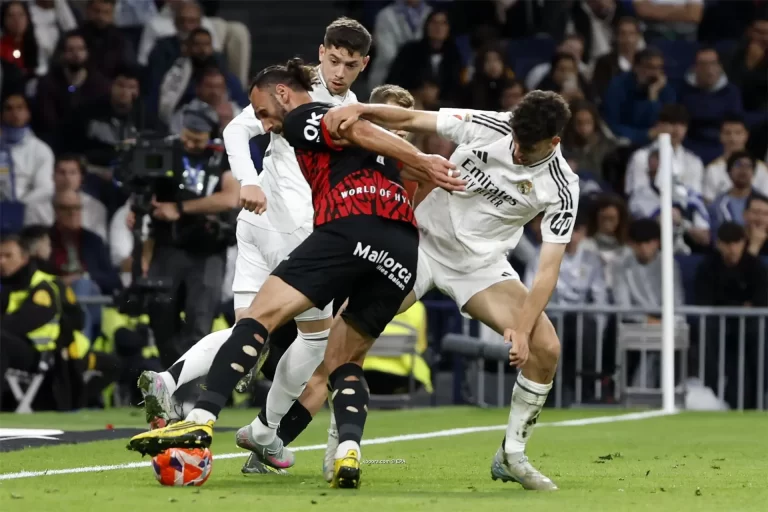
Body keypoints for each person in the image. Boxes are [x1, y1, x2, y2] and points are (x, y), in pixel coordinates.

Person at [126, 58, 460, 489]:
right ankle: (344, 450)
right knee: (342, 360)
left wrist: (418, 155)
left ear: (283, 94)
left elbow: (349, 128)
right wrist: (427, 159)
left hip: (342, 227)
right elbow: (405, 164)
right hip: (400, 252)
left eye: (265, 113)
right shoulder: (392, 156)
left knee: (259, 321)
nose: (266, 124)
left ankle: (202, 417)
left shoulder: (307, 114)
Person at [263, 89, 578, 491]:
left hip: (480, 268)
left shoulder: (562, 186)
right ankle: (337, 444)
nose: (516, 151)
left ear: (554, 142)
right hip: (421, 245)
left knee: (546, 348)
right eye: (515, 140)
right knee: (346, 342)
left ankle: (512, 455)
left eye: (527, 148)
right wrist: (361, 108)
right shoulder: (493, 125)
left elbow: (548, 270)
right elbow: (414, 119)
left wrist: (522, 326)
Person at [134, 20, 372, 478]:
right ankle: (265, 432)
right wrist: (247, 180)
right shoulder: (295, 88)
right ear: (321, 51)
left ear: (364, 63)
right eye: (333, 60)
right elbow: (235, 130)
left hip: (257, 226)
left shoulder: (347, 103)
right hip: (294, 233)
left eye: (350, 65)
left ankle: (168, 379)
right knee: (316, 338)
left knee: (248, 330)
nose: (339, 72)